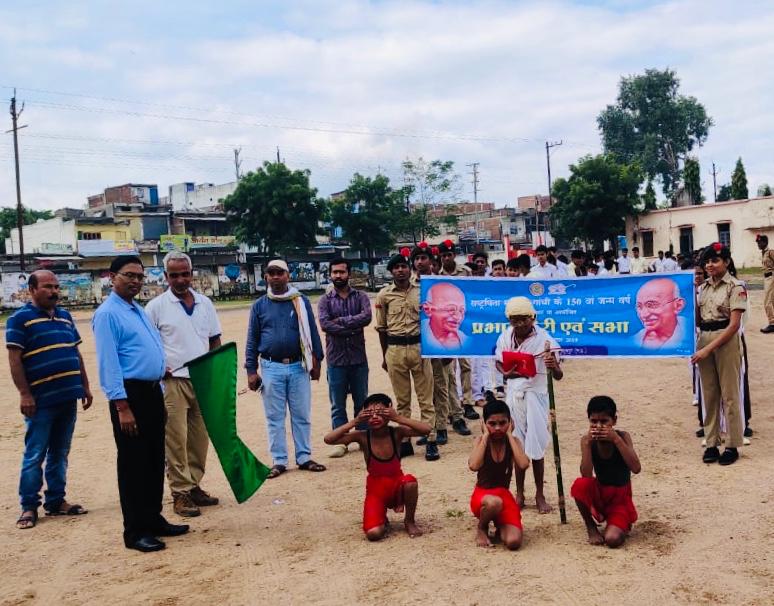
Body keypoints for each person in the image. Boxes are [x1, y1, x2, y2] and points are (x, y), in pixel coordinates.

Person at [93, 256, 189, 552]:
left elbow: (140, 350)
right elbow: (109, 364)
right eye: (129, 276)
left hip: (152, 391)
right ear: (112, 276)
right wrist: (122, 407)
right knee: (134, 464)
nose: (135, 281)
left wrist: (160, 370)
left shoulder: (136, 309)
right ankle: (135, 532)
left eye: (139, 276)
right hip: (130, 397)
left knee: (152, 460)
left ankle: (153, 519)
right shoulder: (109, 313)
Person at [7, 270, 93, 530]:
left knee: (60, 452)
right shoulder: (19, 320)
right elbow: (14, 359)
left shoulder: (65, 317)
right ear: (32, 290)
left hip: (68, 397)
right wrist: (24, 393)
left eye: (56, 287)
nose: (54, 291)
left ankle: (56, 501)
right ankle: (29, 506)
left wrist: (85, 386)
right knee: (35, 454)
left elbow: (74, 353)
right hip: (40, 401)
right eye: (47, 287)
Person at [145, 252, 222, 517]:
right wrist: (159, 368)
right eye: (174, 275)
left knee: (199, 439)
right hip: (172, 382)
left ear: (192, 273)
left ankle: (194, 485)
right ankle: (180, 493)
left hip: (201, 380)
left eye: (185, 274)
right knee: (176, 440)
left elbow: (214, 340)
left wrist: (214, 370)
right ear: (165, 277)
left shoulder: (204, 303)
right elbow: (149, 345)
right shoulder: (155, 307)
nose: (180, 279)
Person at [245, 259, 326, 478]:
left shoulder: (300, 301)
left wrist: (317, 360)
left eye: (279, 273)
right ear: (266, 278)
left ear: (288, 276)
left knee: (301, 414)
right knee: (274, 417)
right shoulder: (259, 305)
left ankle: (304, 457)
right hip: (271, 366)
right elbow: (252, 339)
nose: (275, 277)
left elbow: (312, 331)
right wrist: (251, 371)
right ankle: (279, 460)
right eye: (271, 273)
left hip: (299, 366)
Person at [324, 393, 430, 540]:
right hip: (376, 491)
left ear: (389, 413)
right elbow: (329, 439)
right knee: (374, 534)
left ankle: (409, 520)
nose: (375, 417)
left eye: (380, 413)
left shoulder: (397, 432)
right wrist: (355, 421)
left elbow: (426, 430)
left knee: (410, 482)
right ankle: (381, 517)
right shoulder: (362, 436)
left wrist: (398, 418)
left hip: (397, 485)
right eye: (370, 414)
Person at [494, 297, 562, 513]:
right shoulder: (505, 335)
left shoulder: (545, 340)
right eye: (515, 320)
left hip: (536, 395)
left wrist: (553, 365)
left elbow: (558, 375)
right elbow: (499, 360)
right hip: (514, 395)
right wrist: (504, 372)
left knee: (537, 445)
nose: (520, 324)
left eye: (524, 319)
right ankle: (520, 493)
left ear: (532, 317)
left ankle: (540, 494)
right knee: (517, 444)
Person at [375, 250, 438, 460]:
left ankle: (430, 440)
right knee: (402, 401)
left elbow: (433, 319)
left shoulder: (422, 291)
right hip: (395, 349)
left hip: (419, 347)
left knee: (426, 399)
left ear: (409, 269)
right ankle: (405, 441)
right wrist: (385, 356)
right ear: (391, 271)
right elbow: (382, 328)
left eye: (403, 266)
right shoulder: (384, 295)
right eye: (396, 267)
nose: (400, 270)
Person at [691, 243, 746, 466]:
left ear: (726, 262)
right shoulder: (702, 288)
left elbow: (734, 325)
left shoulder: (735, 286)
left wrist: (706, 349)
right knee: (709, 394)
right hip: (704, 336)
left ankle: (732, 444)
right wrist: (691, 293)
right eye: (707, 262)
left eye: (715, 260)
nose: (710, 265)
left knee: (730, 394)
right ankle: (711, 442)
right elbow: (697, 320)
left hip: (725, 340)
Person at [414, 246, 472, 443]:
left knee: (446, 382)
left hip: (442, 342)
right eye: (417, 259)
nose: (420, 262)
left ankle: (454, 419)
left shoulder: (441, 283)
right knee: (426, 387)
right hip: (420, 343)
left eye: (424, 258)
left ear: (431, 261)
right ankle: (430, 426)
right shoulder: (410, 285)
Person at [317, 258, 372, 458]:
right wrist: (351, 326)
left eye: (342, 272)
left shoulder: (361, 297)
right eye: (335, 272)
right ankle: (341, 441)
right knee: (337, 404)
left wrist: (340, 321)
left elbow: (366, 317)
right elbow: (325, 324)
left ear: (349, 274)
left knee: (362, 402)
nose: (338, 276)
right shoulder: (325, 300)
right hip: (336, 360)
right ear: (330, 274)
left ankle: (364, 437)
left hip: (358, 358)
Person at [570, 396, 641, 548]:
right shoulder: (587, 441)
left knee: (612, 539)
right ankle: (591, 527)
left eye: (604, 422)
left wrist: (616, 440)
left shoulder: (622, 437)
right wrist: (588, 445)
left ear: (614, 421)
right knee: (579, 485)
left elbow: (636, 468)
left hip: (620, 499)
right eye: (594, 421)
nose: (599, 426)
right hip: (600, 493)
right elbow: (587, 475)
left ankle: (621, 523)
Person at [468, 395, 530, 549]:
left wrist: (509, 435)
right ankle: (482, 527)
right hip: (483, 496)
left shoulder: (513, 442)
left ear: (510, 423)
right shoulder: (481, 441)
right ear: (484, 424)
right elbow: (474, 465)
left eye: (502, 423)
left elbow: (523, 464)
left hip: (504, 496)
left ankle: (500, 525)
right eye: (492, 424)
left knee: (513, 542)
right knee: (494, 503)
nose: (497, 428)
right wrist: (485, 436)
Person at [633, 278, 687, 349]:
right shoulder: (634, 340)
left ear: (678, 305)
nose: (644, 315)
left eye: (652, 305)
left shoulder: (688, 331)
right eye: (639, 307)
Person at [421, 282, 468, 350]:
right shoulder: (418, 333)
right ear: (427, 309)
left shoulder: (467, 341)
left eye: (461, 311)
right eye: (451, 309)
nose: (458, 317)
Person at [757, 234, 774, 333]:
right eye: (758, 243)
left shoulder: (770, 252)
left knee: (767, 302)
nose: (758, 244)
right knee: (772, 300)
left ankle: (772, 323)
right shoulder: (763, 253)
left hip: (771, 277)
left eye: (760, 242)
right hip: (767, 277)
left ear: (765, 242)